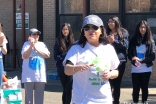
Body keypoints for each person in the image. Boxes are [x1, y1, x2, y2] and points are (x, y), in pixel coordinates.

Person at [63, 15, 120, 104]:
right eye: (87, 27)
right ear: (83, 32)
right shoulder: (76, 48)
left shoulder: (109, 48)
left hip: (104, 100)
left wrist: (110, 74)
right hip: (82, 100)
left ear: (101, 30)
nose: (90, 30)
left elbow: (116, 71)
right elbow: (67, 70)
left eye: (94, 27)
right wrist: (77, 68)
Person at [127, 20, 155, 104]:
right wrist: (133, 58)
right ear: (138, 28)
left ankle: (144, 101)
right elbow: (129, 54)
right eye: (141, 27)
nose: (142, 29)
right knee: (136, 87)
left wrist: (141, 60)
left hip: (146, 68)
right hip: (136, 68)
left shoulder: (151, 41)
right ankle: (135, 101)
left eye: (144, 27)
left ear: (147, 29)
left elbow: (152, 56)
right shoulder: (133, 40)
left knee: (144, 87)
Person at [21, 28, 50, 104]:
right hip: (28, 76)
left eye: (37, 34)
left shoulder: (42, 44)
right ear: (29, 36)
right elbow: (25, 56)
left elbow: (47, 55)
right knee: (28, 99)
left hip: (40, 76)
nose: (36, 36)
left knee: (39, 98)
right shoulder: (26, 44)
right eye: (34, 34)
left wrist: (36, 48)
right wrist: (31, 46)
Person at [106, 16, 129, 104]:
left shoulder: (124, 32)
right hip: (107, 61)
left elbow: (125, 46)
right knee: (108, 83)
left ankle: (116, 101)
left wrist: (114, 41)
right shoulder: (106, 33)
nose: (110, 23)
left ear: (116, 22)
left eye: (112, 22)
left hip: (120, 61)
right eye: (108, 22)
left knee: (117, 83)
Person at [53, 23, 75, 104]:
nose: (65, 31)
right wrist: (67, 54)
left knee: (69, 88)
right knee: (65, 88)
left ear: (69, 30)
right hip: (61, 68)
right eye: (63, 29)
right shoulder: (58, 41)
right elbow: (56, 57)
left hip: (71, 68)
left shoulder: (73, 42)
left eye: (67, 29)